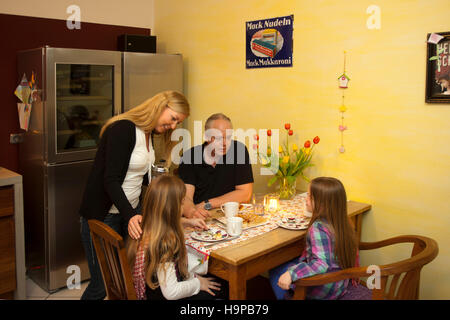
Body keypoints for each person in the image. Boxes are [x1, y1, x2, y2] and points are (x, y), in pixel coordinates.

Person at [79, 90, 190, 300]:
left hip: (128, 212)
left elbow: (141, 178)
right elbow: (110, 179)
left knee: (127, 277)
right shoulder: (123, 129)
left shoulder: (149, 134)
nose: (174, 126)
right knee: (102, 284)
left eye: (178, 123)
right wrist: (131, 215)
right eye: (173, 118)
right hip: (103, 215)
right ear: (161, 106)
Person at [126, 175, 228, 300]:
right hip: (162, 295)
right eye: (181, 203)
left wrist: (188, 222)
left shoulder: (144, 227)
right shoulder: (165, 243)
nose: (183, 206)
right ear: (172, 210)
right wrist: (198, 283)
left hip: (151, 290)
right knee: (221, 290)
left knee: (213, 283)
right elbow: (171, 292)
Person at [269, 177, 359, 300]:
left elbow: (321, 264)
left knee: (276, 269)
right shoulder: (343, 221)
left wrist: (291, 274)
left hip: (324, 289)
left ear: (323, 204)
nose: (306, 200)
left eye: (310, 197)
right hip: (340, 284)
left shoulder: (319, 228)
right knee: (294, 260)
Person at [178, 113, 254, 219]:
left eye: (227, 137)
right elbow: (185, 198)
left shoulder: (239, 150)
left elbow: (245, 194)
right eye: (218, 138)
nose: (224, 143)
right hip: (200, 217)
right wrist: (192, 212)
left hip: (229, 216)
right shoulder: (189, 156)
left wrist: (208, 203)